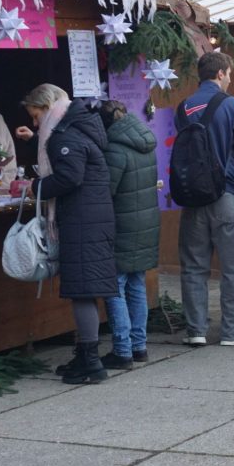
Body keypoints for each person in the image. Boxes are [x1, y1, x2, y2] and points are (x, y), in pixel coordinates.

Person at [19, 84, 117, 385]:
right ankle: (85, 354)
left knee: (82, 292)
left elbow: (69, 176)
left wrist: (34, 188)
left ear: (47, 107)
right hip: (89, 218)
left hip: (82, 220)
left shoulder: (66, 135)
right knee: (82, 289)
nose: (36, 124)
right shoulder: (76, 127)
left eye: (36, 117)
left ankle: (91, 364)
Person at [176, 51, 234, 348]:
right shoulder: (232, 104)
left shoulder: (184, 107)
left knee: (193, 266)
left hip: (193, 196)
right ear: (221, 73)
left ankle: (196, 330)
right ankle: (229, 333)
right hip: (227, 194)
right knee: (233, 267)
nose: (230, 78)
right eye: (230, 73)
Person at [97, 100, 159, 369]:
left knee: (115, 285)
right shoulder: (146, 143)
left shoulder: (114, 149)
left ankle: (122, 349)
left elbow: (105, 191)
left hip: (121, 224)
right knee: (137, 284)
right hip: (146, 223)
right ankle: (140, 345)